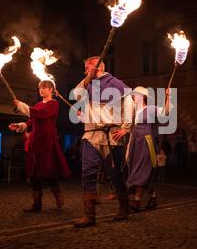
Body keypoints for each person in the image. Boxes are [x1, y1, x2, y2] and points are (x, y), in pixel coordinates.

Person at [73, 56, 133, 228]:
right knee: (87, 172)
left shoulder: (117, 83)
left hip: (111, 135)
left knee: (115, 174)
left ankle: (124, 206)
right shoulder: (87, 84)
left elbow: (129, 105)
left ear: (97, 67)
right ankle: (89, 215)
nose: (85, 71)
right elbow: (77, 95)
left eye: (87, 68)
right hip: (91, 135)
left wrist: (126, 128)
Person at [10, 80, 71, 212]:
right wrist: (21, 126)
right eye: (40, 88)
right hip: (35, 141)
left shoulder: (53, 104)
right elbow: (31, 120)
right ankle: (37, 204)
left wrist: (21, 105)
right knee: (34, 173)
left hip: (47, 141)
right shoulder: (37, 104)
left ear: (50, 90)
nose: (41, 90)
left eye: (44, 88)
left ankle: (57, 194)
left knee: (47, 171)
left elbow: (41, 114)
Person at [125, 86, 171, 212]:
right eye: (133, 94)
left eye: (136, 94)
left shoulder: (150, 109)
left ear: (142, 96)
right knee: (140, 170)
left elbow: (165, 112)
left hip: (146, 142)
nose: (133, 96)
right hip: (135, 143)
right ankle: (153, 197)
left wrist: (168, 97)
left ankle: (137, 200)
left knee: (142, 169)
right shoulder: (133, 112)